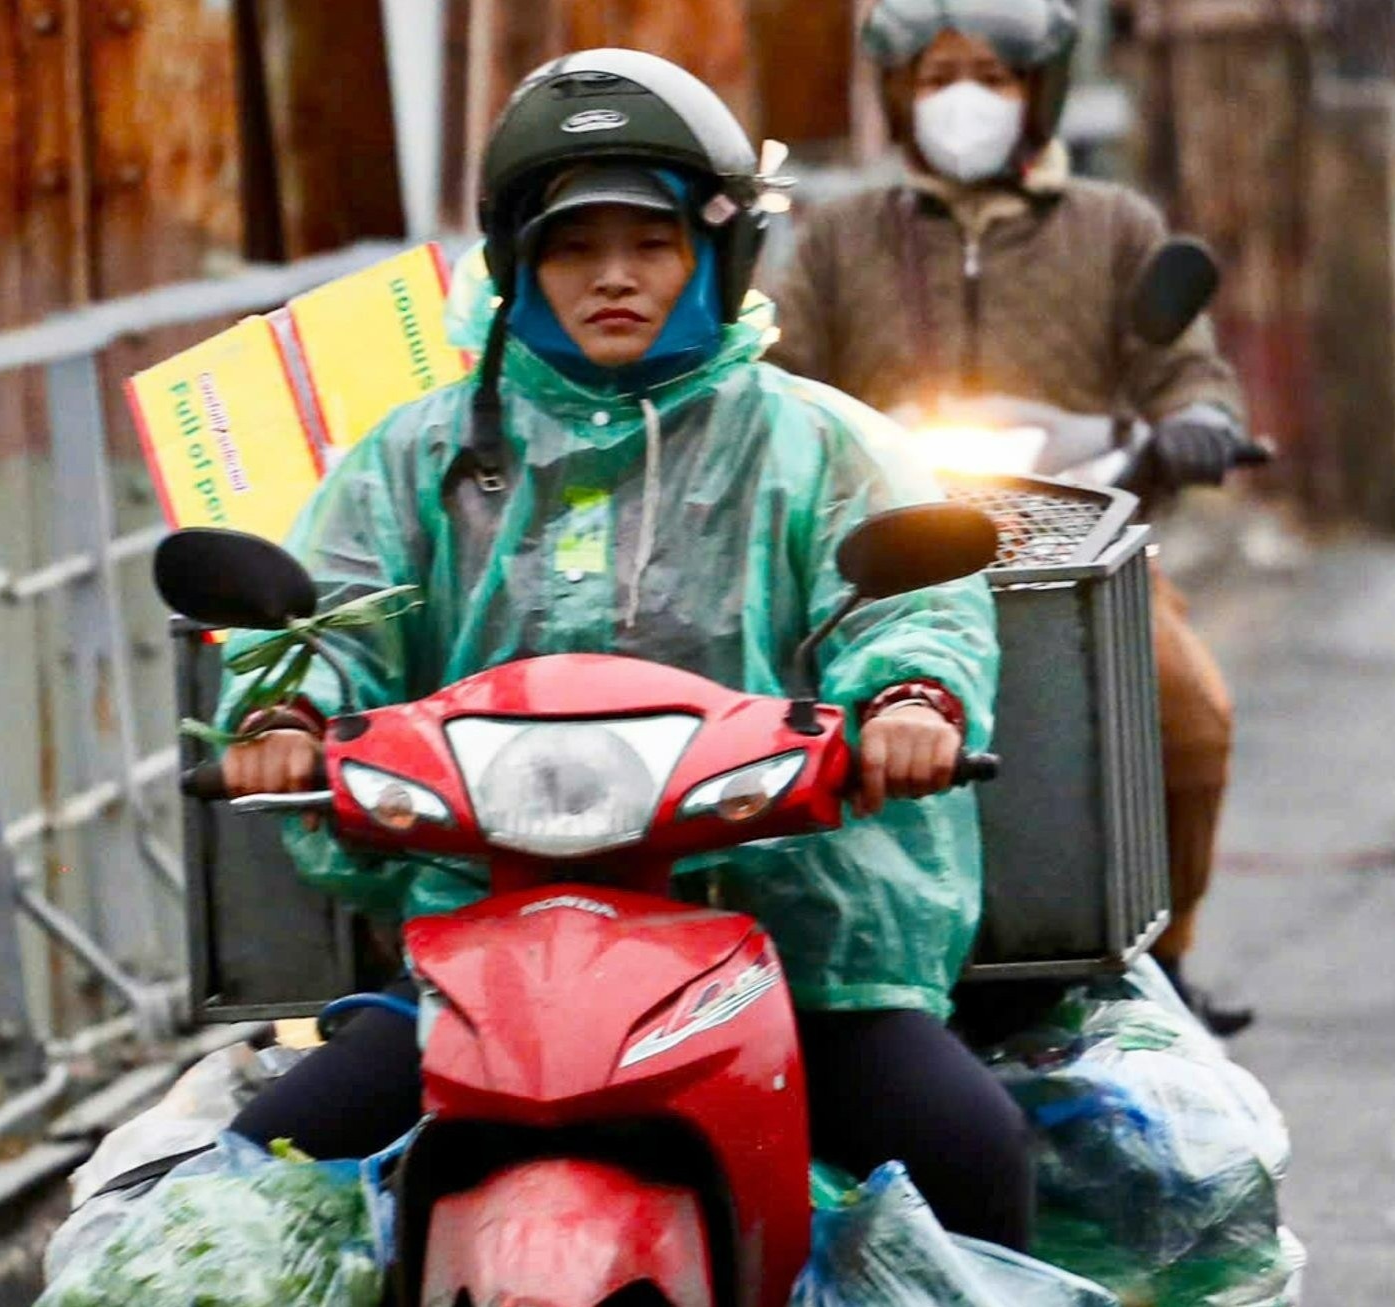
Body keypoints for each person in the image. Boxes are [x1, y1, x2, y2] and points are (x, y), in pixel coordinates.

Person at [212, 50, 1033, 1251]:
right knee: (258, 1186)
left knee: (970, 1146)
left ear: (716, 253)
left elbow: (909, 610)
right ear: (516, 263)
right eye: (571, 245)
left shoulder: (817, 444)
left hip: (790, 940)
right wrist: (286, 717)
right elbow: (329, 613)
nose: (612, 277)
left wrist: (909, 698)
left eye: (649, 244)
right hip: (489, 951)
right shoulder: (416, 452)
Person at [767, 0, 1256, 1035]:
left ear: (1040, 91)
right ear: (897, 92)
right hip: (877, 568)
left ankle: (1167, 952)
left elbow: (1186, 370)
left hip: (1078, 554)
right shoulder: (839, 238)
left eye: (989, 76)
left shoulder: (1114, 227)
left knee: (1191, 717)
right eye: (939, 74)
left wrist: (1201, 423)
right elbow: (778, 376)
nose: (963, 99)